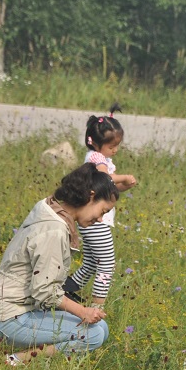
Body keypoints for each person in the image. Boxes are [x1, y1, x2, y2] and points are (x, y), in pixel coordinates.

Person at [0, 164, 119, 365]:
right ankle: (15, 360)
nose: (100, 219)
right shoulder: (54, 231)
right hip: (7, 319)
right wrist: (83, 311)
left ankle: (28, 353)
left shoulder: (52, 209)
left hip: (22, 311)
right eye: (102, 211)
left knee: (102, 329)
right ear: (90, 197)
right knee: (94, 336)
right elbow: (45, 291)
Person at [63, 104, 138, 306]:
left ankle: (67, 289)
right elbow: (105, 178)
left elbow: (108, 189)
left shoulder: (102, 157)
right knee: (106, 264)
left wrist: (125, 186)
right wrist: (123, 177)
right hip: (96, 221)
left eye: (117, 145)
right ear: (95, 143)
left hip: (97, 219)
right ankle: (97, 305)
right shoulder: (95, 158)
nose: (115, 150)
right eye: (111, 146)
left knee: (91, 261)